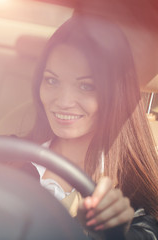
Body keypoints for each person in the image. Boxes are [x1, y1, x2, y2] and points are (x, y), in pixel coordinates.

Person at [26, 13, 158, 239]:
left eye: (86, 86)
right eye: (52, 80)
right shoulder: (6, 154)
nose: (64, 102)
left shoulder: (135, 193)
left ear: (116, 95)